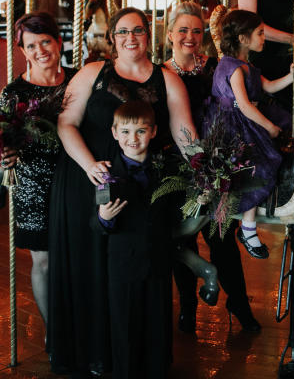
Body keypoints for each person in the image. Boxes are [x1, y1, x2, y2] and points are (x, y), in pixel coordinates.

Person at [49, 7, 197, 376]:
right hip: (89, 179)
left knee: (137, 264)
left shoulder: (168, 79)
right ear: (112, 38)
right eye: (122, 32)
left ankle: (139, 354)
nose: (131, 38)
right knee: (91, 267)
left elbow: (185, 134)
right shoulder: (91, 74)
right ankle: (93, 353)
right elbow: (66, 123)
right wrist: (89, 166)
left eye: (139, 31)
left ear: (150, 35)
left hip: (145, 184)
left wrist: (212, 171)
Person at [163, 2, 259, 333]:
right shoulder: (161, 72)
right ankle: (188, 305)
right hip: (178, 164)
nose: (190, 37)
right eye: (183, 30)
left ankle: (239, 304)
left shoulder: (217, 67)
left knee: (222, 237)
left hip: (218, 161)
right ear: (170, 34)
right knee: (183, 240)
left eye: (197, 31)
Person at [0, 12, 75, 340]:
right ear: (23, 51)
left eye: (46, 41)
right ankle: (55, 333)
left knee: (77, 258)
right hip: (33, 186)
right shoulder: (14, 94)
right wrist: (3, 155)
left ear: (58, 42)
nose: (40, 50)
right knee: (44, 262)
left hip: (74, 180)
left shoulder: (78, 81)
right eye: (31, 45)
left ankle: (82, 325)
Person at [94, 101, 174, 379]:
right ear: (115, 133)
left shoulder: (166, 168)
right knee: (125, 326)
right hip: (123, 264)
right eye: (126, 132)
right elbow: (95, 225)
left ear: (153, 132)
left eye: (140, 131)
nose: (133, 139)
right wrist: (104, 216)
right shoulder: (105, 172)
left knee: (158, 325)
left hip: (159, 260)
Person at [208, 9, 292, 260]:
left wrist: (292, 75)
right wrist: (268, 127)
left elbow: (267, 87)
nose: (264, 37)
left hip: (244, 118)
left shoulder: (247, 65)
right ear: (243, 38)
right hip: (233, 124)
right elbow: (244, 105)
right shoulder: (232, 67)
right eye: (260, 33)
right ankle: (248, 226)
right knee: (258, 162)